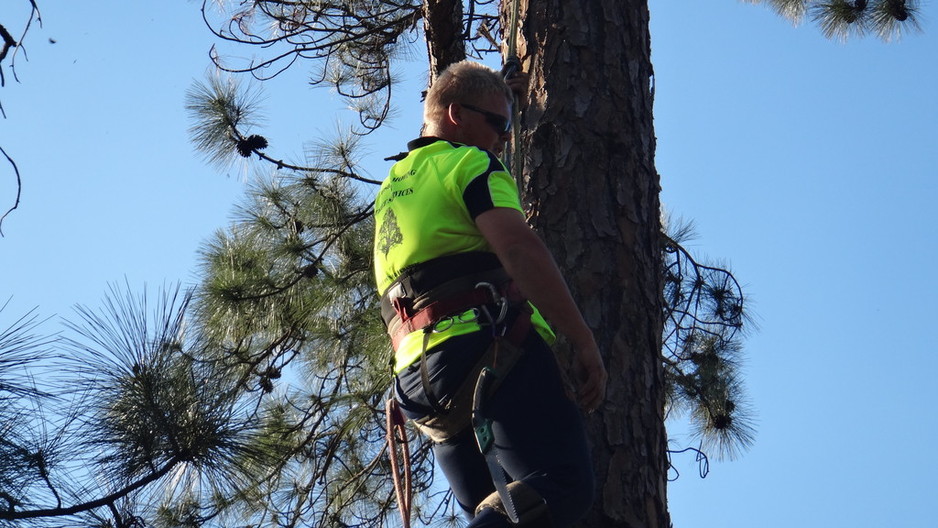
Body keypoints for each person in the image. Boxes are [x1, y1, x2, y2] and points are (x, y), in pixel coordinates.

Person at [374, 60, 607, 527]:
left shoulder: (395, 186)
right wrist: (582, 339)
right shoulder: (472, 162)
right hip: (486, 349)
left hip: (421, 384)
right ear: (458, 115)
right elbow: (520, 249)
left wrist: (504, 98)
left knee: (500, 511)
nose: (504, 139)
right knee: (562, 483)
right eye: (499, 125)